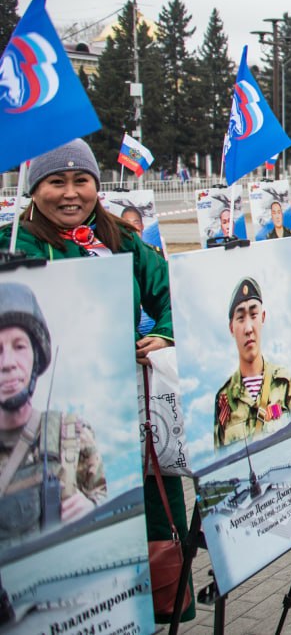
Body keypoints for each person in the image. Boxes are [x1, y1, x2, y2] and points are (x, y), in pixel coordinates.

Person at [0, 138, 194, 624]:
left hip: (126, 409)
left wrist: (164, 335)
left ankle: (143, 611)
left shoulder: (117, 237)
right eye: (55, 182)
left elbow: (171, 289)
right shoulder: (12, 242)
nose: (70, 193)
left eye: (80, 180)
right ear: (34, 188)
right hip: (40, 414)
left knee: (143, 522)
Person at [0, 282, 106, 546]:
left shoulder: (71, 432)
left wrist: (91, 509)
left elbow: (104, 497)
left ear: (36, 356)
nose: (8, 363)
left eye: (19, 346)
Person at [215, 277, 291, 449]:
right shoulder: (224, 398)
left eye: (253, 315)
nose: (248, 328)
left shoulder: (283, 382)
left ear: (263, 317)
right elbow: (220, 458)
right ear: (231, 327)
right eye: (240, 318)